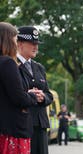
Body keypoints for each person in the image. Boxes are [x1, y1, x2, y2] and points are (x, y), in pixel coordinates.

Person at [0, 22, 43, 154]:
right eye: (15, 39)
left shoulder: (39, 67)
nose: (15, 43)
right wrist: (32, 96)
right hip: (12, 131)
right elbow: (19, 98)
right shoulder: (7, 63)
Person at [17, 26, 53, 154]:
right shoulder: (11, 65)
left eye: (37, 43)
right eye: (32, 43)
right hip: (22, 124)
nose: (36, 47)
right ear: (20, 43)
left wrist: (43, 97)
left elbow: (49, 94)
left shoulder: (39, 67)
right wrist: (29, 95)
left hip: (40, 124)